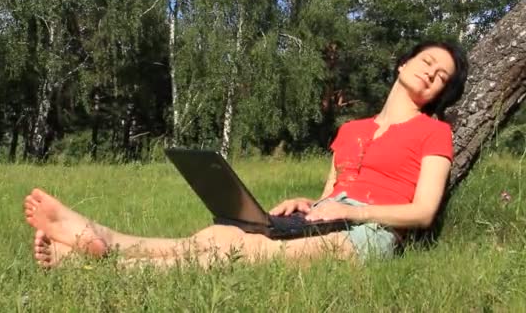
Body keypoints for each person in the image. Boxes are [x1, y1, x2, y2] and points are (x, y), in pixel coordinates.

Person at [23, 40, 469, 268]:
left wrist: (350, 214)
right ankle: (105, 238)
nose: (433, 72)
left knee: (249, 256)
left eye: (443, 76)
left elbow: (423, 212)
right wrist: (308, 203)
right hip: (330, 216)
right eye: (429, 61)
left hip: (369, 233)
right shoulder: (351, 129)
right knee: (220, 235)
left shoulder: (435, 133)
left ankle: (89, 266)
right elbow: (334, 194)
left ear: (439, 94)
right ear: (403, 64)